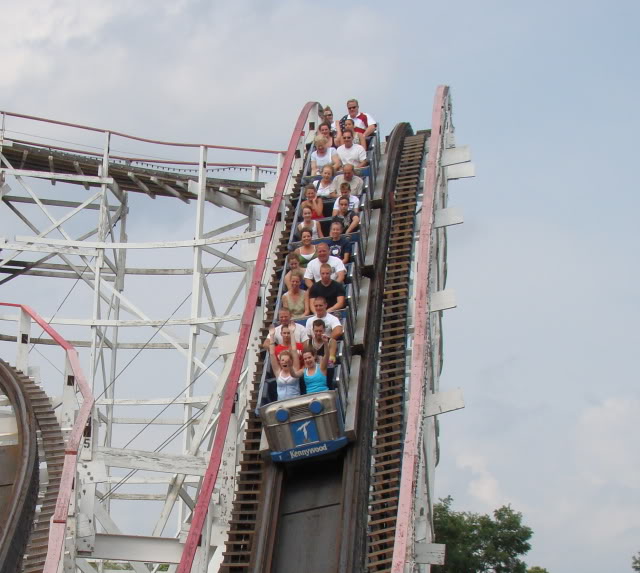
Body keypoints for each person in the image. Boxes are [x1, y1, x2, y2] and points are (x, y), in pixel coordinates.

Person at [266, 325, 301, 400]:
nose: (285, 362)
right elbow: (272, 354)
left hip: (295, 401)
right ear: (280, 362)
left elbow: (294, 351)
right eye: (282, 360)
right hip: (281, 403)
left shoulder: (295, 369)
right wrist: (272, 336)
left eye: (287, 360)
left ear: (291, 361)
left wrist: (291, 332)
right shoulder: (278, 372)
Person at [305, 297, 343, 364]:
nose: (318, 308)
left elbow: (338, 331)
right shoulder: (309, 320)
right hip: (314, 347)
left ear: (325, 305)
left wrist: (325, 341)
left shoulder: (332, 318)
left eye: (320, 305)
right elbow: (308, 336)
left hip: (328, 346)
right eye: (316, 306)